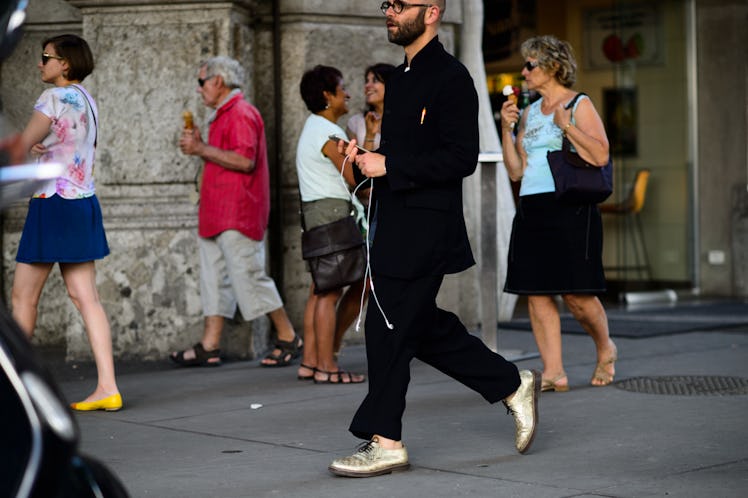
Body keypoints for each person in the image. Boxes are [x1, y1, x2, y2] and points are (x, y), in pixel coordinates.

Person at [328, 0, 540, 478]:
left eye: (400, 4)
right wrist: (366, 158)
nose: (389, 11)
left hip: (426, 230)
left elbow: (461, 158)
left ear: (431, 12)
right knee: (418, 326)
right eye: (387, 3)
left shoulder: (453, 77)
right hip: (392, 222)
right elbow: (404, 156)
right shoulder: (399, 80)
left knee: (390, 331)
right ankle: (512, 383)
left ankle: (386, 440)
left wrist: (391, 166)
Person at [499, 35, 618, 392]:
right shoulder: (530, 112)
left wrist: (566, 125)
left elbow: (600, 156)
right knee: (537, 292)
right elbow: (516, 171)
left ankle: (605, 346)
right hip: (533, 207)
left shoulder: (579, 104)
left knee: (577, 296)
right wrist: (507, 129)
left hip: (571, 207)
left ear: (552, 67)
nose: (523, 72)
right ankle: (554, 372)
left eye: (529, 65)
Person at [12, 34, 122, 412]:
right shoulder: (86, 100)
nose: (40, 64)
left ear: (66, 64)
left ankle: (15, 392)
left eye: (46, 58)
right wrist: (41, 146)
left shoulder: (53, 98)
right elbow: (67, 143)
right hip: (81, 202)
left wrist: (29, 145)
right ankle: (108, 386)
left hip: (51, 203)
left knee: (23, 298)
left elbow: (20, 144)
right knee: (87, 298)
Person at [171, 56, 301, 368]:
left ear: (218, 81)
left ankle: (287, 336)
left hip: (237, 212)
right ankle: (210, 345)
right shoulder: (222, 114)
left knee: (249, 276)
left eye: (201, 81)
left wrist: (201, 149)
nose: (199, 89)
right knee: (214, 280)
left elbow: (246, 161)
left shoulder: (241, 112)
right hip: (218, 212)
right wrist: (202, 145)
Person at [295, 65, 366, 384]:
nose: (347, 93)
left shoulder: (312, 127)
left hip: (316, 215)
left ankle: (310, 362)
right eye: (342, 88)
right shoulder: (328, 133)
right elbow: (352, 178)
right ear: (327, 95)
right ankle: (327, 367)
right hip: (332, 216)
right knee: (329, 294)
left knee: (319, 291)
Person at [345, 62, 395, 151]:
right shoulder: (356, 122)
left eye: (375, 81)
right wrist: (370, 135)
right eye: (367, 81)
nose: (367, 86)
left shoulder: (407, 119)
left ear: (390, 84)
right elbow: (356, 160)